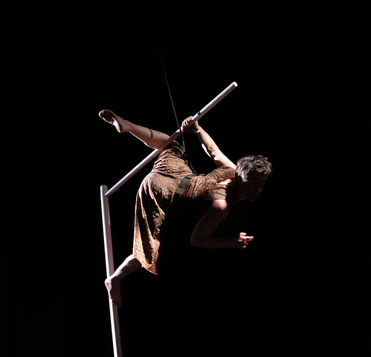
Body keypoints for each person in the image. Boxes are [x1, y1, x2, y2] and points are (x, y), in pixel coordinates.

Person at [100, 109, 272, 305]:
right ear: (242, 177)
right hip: (161, 191)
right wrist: (230, 242)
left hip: (174, 171)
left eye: (261, 185)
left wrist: (198, 129)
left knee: (170, 144)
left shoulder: (234, 170)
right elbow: (197, 239)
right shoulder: (222, 205)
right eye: (252, 183)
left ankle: (128, 125)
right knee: (147, 250)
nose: (257, 189)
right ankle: (115, 279)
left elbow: (212, 150)